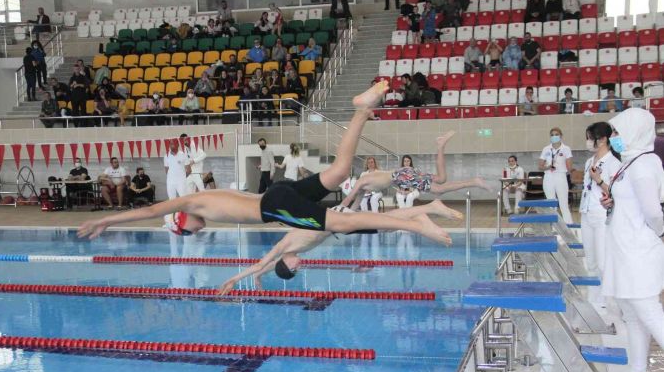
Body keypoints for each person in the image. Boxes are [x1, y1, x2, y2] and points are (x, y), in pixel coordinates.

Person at [78, 82, 457, 245]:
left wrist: (106, 219)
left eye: (190, 232)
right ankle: (360, 112)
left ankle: (417, 226)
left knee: (342, 222)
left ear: (183, 221)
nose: (197, 230)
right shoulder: (205, 196)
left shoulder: (188, 203)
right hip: (277, 194)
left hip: (274, 205)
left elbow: (148, 211)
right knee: (340, 173)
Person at [218, 200, 459, 293]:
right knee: (388, 223)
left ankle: (426, 213)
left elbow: (262, 262)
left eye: (294, 269)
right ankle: (427, 210)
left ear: (286, 262)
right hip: (339, 224)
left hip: (340, 219)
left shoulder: (285, 245)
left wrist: (234, 279)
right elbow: (266, 267)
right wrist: (259, 278)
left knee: (387, 223)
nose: (298, 267)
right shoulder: (290, 253)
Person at [600, 108, 664, 372]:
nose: (613, 138)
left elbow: (653, 210)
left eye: (617, 133)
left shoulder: (643, 164)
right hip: (625, 250)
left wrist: (661, 233)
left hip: (638, 252)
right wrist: (612, 203)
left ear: (635, 132)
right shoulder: (630, 162)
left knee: (648, 311)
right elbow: (633, 203)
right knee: (632, 313)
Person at [340, 131, 491, 210]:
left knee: (439, 190)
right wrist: (347, 216)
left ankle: (474, 181)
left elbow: (347, 201)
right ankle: (440, 146)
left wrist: (334, 214)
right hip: (404, 173)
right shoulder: (362, 187)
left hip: (402, 176)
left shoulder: (360, 182)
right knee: (441, 178)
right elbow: (354, 205)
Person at [579, 122, 622, 308]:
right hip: (586, 213)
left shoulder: (615, 163)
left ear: (603, 139)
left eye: (591, 138)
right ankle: (594, 299)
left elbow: (617, 192)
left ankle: (610, 301)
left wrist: (599, 180)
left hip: (602, 215)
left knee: (604, 262)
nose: (588, 142)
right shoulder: (590, 162)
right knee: (591, 261)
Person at [538, 127, 573, 223]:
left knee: (563, 204)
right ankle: (553, 226)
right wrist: (548, 167)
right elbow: (540, 166)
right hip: (549, 177)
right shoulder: (546, 149)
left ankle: (569, 226)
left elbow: (570, 166)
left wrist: (573, 171)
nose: (554, 136)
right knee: (551, 204)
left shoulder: (566, 149)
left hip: (561, 176)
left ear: (561, 136)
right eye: (552, 135)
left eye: (556, 134)